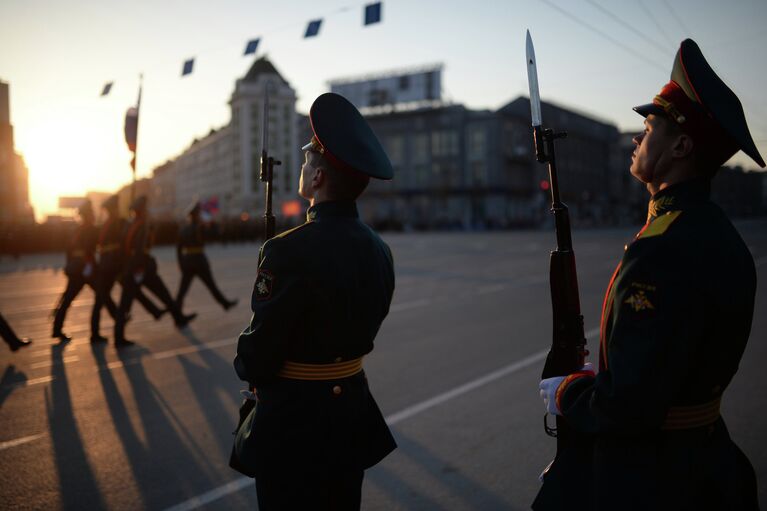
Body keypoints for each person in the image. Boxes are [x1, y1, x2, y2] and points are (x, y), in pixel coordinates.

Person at [536, 39, 763, 510]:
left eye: (648, 126)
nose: (637, 138)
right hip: (706, 458)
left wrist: (570, 392)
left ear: (681, 146)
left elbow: (629, 405)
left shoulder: (660, 249)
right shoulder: (722, 237)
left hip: (653, 477)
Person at [232, 92, 397, 510]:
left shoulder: (287, 250)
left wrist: (248, 367)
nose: (302, 168)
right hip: (350, 417)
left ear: (318, 178)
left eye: (308, 162)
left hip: (294, 422)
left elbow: (259, 351)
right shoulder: (380, 249)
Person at [114, 196, 196, 347]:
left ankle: (177, 318)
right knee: (162, 295)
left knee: (128, 303)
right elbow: (140, 249)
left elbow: (124, 247)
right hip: (142, 267)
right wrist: (139, 269)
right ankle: (119, 338)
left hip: (134, 266)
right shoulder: (143, 225)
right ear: (143, 210)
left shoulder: (130, 225)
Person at [91, 194, 167, 343]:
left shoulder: (105, 225)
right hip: (116, 265)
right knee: (128, 295)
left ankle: (96, 333)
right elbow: (125, 243)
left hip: (105, 264)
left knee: (103, 299)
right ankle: (120, 334)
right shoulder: (120, 223)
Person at [52, 199, 117, 342]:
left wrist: (70, 266)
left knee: (67, 300)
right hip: (87, 269)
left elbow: (68, 250)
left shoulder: (76, 230)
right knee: (103, 295)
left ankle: (57, 329)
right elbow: (89, 250)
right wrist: (90, 266)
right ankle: (116, 319)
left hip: (75, 268)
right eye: (92, 213)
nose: (93, 215)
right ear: (89, 215)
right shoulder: (91, 230)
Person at [175, 200, 238, 312]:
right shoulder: (200, 227)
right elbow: (214, 235)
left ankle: (176, 311)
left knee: (182, 290)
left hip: (188, 261)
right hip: (199, 261)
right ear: (197, 215)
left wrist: (181, 263)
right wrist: (214, 224)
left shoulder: (184, 229)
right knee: (211, 286)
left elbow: (178, 249)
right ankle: (225, 304)